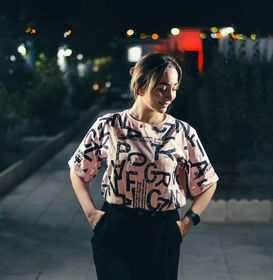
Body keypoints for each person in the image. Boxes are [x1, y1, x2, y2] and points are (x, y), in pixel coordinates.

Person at [68, 52, 219, 280]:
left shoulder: (182, 133)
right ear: (140, 87)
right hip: (116, 227)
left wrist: (188, 222)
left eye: (174, 87)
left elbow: (208, 182)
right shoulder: (109, 125)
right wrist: (90, 213)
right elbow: (78, 170)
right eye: (162, 87)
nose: (170, 96)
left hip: (162, 230)